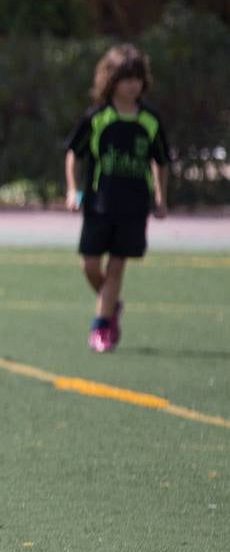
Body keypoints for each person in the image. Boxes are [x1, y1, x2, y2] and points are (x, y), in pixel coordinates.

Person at [64, 43, 170, 353]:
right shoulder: (98, 118)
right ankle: (111, 305)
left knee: (117, 267)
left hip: (134, 206)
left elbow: (161, 161)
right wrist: (73, 189)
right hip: (99, 204)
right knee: (90, 265)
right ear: (111, 80)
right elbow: (74, 154)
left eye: (137, 78)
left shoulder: (149, 121)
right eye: (126, 78)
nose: (133, 84)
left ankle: (101, 326)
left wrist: (161, 198)